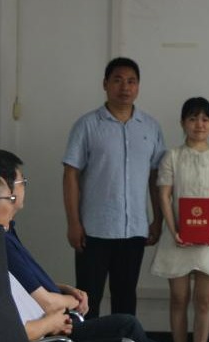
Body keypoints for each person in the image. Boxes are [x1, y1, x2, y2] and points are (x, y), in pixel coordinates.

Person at [0, 150, 164, 342]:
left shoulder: (8, 232)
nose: (23, 189)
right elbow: (40, 309)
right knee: (126, 337)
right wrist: (64, 309)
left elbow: (22, 288)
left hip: (47, 330)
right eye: (21, 183)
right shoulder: (2, 241)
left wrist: (61, 289)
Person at [62, 57, 165, 318]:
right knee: (87, 299)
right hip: (93, 230)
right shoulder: (87, 125)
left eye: (131, 81)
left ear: (138, 86)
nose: (125, 87)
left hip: (134, 230)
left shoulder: (151, 127)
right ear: (105, 84)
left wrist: (158, 219)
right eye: (118, 80)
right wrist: (73, 222)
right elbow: (71, 174)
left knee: (126, 298)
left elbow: (157, 178)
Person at [150, 98, 209, 342]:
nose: (199, 124)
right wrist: (173, 228)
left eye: (205, 119)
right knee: (178, 299)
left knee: (204, 300)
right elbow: (164, 194)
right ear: (183, 123)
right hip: (177, 238)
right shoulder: (172, 156)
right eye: (193, 118)